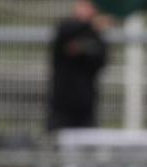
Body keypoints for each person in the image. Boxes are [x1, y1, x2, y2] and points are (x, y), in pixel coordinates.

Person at [46, 0, 108, 132]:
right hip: (61, 107)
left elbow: (100, 59)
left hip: (85, 108)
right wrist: (90, 25)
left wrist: (83, 47)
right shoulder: (65, 28)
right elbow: (66, 34)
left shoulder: (96, 35)